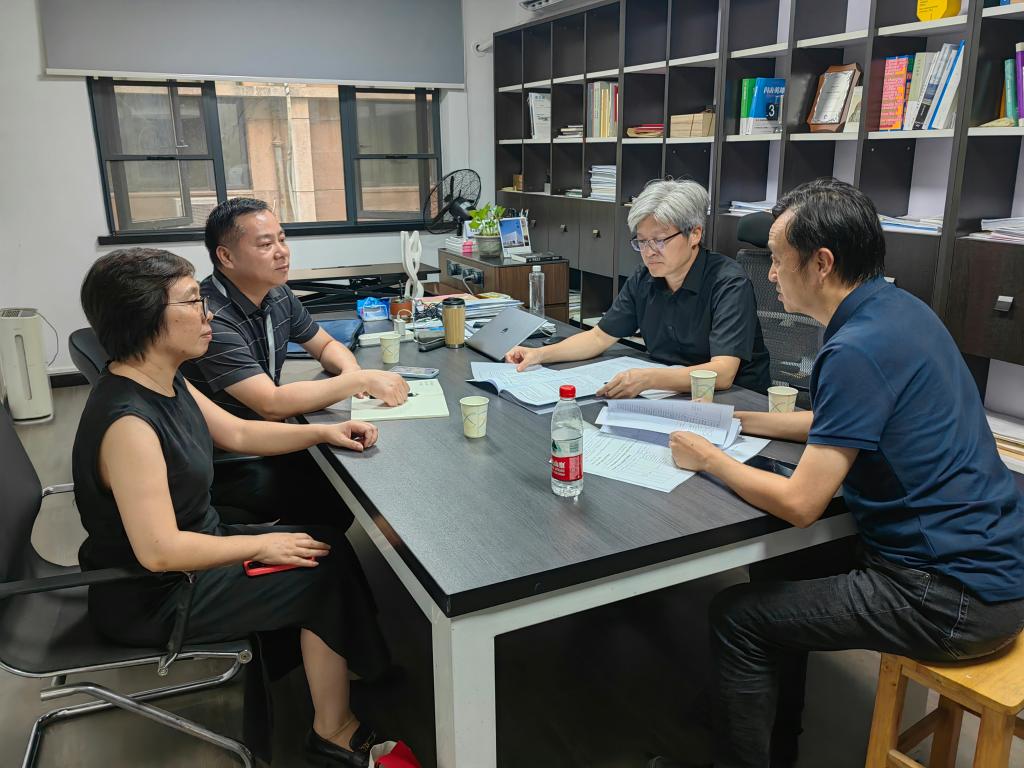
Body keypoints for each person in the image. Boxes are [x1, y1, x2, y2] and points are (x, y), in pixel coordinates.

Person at [650, 179, 1024, 768]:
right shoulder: (897, 311)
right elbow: (838, 422)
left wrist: (709, 457)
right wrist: (736, 419)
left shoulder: (854, 348)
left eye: (778, 259)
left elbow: (801, 503)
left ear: (821, 263)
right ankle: (770, 741)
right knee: (786, 566)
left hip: (948, 598)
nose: (771, 274)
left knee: (738, 617)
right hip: (993, 567)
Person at [74, 248, 393, 767]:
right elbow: (159, 551)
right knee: (318, 571)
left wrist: (324, 432)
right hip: (156, 595)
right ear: (144, 317)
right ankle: (333, 732)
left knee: (324, 541)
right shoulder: (128, 422)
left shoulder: (162, 377)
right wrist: (261, 545)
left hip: (192, 555)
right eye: (191, 302)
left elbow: (239, 432)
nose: (207, 314)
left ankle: (350, 658)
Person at [181, 197, 409, 526]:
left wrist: (351, 371)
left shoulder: (277, 293)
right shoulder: (211, 317)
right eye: (265, 244)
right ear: (226, 256)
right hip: (228, 457)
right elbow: (270, 403)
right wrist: (358, 381)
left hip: (266, 435)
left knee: (348, 469)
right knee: (338, 486)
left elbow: (325, 344)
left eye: (282, 239)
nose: (282, 252)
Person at [505, 180, 771, 397]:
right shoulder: (644, 278)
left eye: (659, 240)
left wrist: (649, 379)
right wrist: (539, 355)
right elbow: (598, 338)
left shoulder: (728, 283)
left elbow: (722, 373)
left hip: (735, 400)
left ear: (695, 234)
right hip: (668, 394)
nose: (649, 252)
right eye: (642, 242)